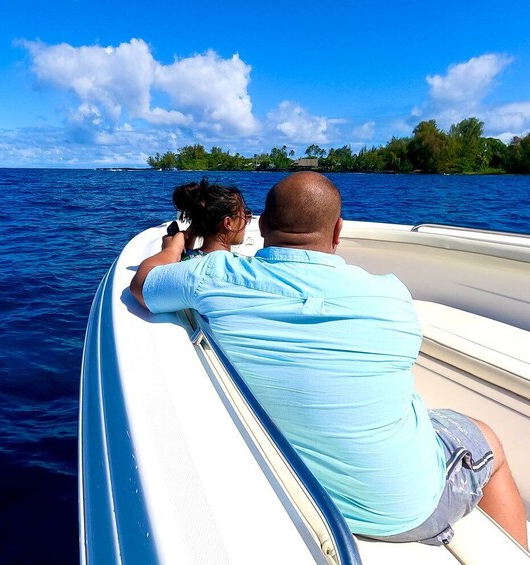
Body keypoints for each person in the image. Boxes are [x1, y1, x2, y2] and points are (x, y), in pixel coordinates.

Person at [130, 171, 527, 548]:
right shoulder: (391, 297)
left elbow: (143, 285)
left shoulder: (212, 277)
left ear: (263, 225)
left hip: (298, 494)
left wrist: (170, 249)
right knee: (486, 437)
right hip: (407, 513)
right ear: (338, 231)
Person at [170, 178, 251, 258]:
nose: (247, 221)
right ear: (228, 223)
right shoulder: (247, 266)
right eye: (245, 215)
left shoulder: (183, 260)